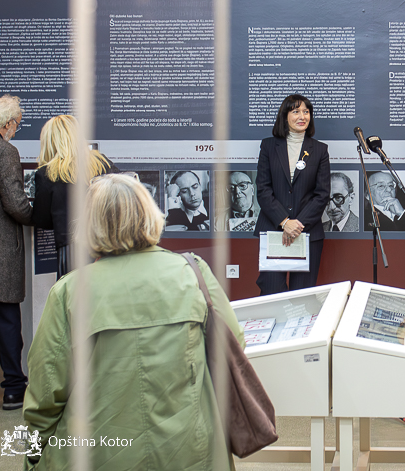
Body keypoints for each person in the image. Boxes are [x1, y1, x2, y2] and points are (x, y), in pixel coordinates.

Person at [23, 174, 243, 470]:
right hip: (190, 450)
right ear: (149, 214)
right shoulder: (193, 273)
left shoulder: (69, 292)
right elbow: (233, 345)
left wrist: (33, 457)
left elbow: (45, 395)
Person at [0, 95, 33, 411]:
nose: (15, 130)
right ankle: (14, 388)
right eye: (17, 125)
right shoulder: (4, 151)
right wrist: (35, 216)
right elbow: (15, 204)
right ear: (7, 123)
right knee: (7, 321)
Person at [254, 94, 330, 295]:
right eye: (296, 111)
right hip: (273, 229)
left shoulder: (320, 150)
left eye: (306, 112)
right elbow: (263, 189)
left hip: (307, 231)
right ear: (285, 115)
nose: (302, 116)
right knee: (271, 293)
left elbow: (322, 194)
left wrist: (297, 224)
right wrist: (284, 221)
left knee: (302, 297)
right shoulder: (268, 146)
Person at [31, 115, 117, 279]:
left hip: (71, 248)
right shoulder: (103, 164)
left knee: (72, 292)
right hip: (105, 243)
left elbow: (42, 220)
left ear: (50, 141)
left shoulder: (47, 173)